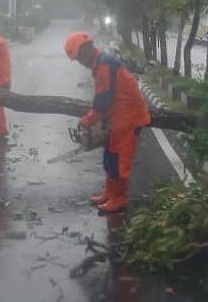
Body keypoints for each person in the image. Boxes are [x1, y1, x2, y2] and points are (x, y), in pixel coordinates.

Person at [64, 31, 151, 212]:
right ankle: (110, 193)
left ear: (86, 49)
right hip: (118, 117)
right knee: (110, 157)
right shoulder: (101, 62)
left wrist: (88, 120)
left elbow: (103, 99)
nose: (81, 62)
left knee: (119, 159)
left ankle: (120, 198)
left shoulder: (104, 64)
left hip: (128, 118)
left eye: (79, 58)